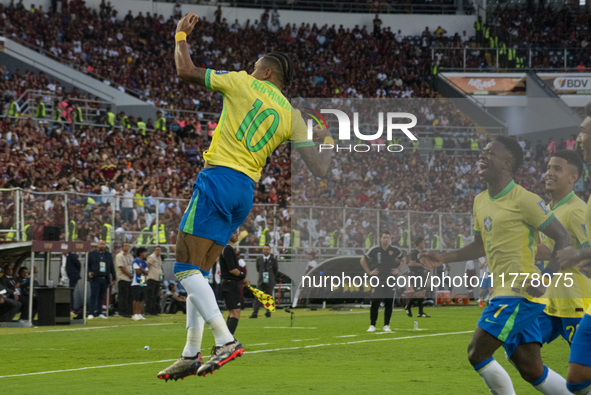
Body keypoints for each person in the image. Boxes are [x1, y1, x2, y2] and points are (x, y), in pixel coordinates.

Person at [159, 12, 331, 381]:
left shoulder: (241, 83)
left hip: (219, 178)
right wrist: (330, 141)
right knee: (200, 273)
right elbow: (319, 167)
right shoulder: (292, 113)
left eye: (255, 68)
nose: (249, 70)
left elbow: (186, 71)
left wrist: (179, 37)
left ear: (267, 73)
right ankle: (190, 353)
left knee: (185, 267)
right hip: (246, 192)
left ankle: (225, 340)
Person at [421, 136, 573, 394]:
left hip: (519, 292)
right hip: (502, 291)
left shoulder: (524, 199)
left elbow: (564, 238)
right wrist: (443, 257)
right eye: (482, 151)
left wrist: (546, 278)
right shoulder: (480, 201)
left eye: (489, 152)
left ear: (506, 163)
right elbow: (480, 245)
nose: (482, 155)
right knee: (530, 367)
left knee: (476, 352)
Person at [502, 150, 590, 387]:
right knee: (515, 345)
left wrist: (548, 254)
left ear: (574, 177)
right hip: (550, 303)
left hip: (576, 303)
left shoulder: (577, 210)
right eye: (549, 167)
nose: (549, 172)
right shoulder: (547, 210)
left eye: (557, 169)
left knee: (583, 374)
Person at [556, 106, 591, 395]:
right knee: (577, 379)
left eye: (584, 132)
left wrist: (578, 255)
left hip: (577, 298)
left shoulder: (576, 209)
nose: (578, 138)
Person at [360, 231, 405, 332]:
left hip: (390, 279)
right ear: (380, 238)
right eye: (384, 237)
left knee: (389, 302)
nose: (386, 240)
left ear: (390, 239)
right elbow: (362, 260)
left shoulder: (394, 250)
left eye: (388, 238)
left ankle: (386, 325)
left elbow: (404, 259)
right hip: (378, 279)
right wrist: (369, 272)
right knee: (375, 301)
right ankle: (372, 325)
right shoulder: (375, 250)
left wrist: (399, 270)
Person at [219, 231, 249, 335]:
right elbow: (232, 270)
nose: (237, 235)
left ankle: (226, 339)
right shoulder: (228, 249)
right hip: (230, 284)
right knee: (236, 313)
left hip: (229, 284)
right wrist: (243, 277)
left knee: (232, 313)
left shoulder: (228, 249)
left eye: (237, 233)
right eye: (234, 233)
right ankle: (228, 340)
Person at [88, 240, 116, 319]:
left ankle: (99, 312)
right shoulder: (92, 254)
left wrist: (114, 278)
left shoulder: (108, 255)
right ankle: (91, 312)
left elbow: (111, 267)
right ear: (97, 245)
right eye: (101, 244)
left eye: (103, 244)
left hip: (104, 278)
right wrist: (88, 272)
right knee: (94, 295)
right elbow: (87, 265)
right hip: (95, 278)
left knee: (101, 296)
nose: (102, 245)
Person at [251, 245, 278, 319]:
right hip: (261, 281)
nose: (266, 250)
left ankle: (268, 313)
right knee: (258, 297)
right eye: (264, 249)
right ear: (262, 250)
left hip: (269, 281)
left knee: (269, 297)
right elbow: (258, 269)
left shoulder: (273, 260)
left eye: (267, 249)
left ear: (270, 250)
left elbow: (275, 271)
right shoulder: (259, 260)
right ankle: (255, 313)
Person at [405, 237, 429, 318]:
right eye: (423, 243)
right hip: (416, 275)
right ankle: (408, 306)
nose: (424, 244)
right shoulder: (415, 252)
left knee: (423, 293)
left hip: (422, 275)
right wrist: (423, 265)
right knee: (418, 294)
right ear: (420, 243)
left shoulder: (420, 253)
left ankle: (420, 312)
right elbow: (412, 263)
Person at [115, 242, 134, 318]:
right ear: (122, 247)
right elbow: (122, 268)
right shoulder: (119, 256)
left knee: (130, 296)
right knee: (123, 296)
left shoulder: (130, 256)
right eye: (125, 246)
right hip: (123, 278)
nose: (127, 247)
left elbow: (132, 266)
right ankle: (123, 312)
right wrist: (130, 275)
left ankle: (129, 312)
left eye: (128, 246)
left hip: (130, 279)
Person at [131, 247, 148, 321]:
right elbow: (137, 271)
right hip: (136, 282)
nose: (146, 254)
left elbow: (147, 273)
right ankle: (135, 314)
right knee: (136, 299)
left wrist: (142, 270)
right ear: (141, 253)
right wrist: (142, 270)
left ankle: (139, 313)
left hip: (142, 282)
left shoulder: (144, 262)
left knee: (141, 299)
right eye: (144, 252)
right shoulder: (136, 261)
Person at [146, 246, 163, 316]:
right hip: (151, 278)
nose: (158, 251)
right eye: (157, 250)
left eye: (159, 250)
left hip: (157, 279)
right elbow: (147, 266)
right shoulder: (151, 257)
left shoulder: (159, 258)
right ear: (154, 250)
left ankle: (154, 310)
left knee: (156, 295)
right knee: (150, 295)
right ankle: (149, 310)